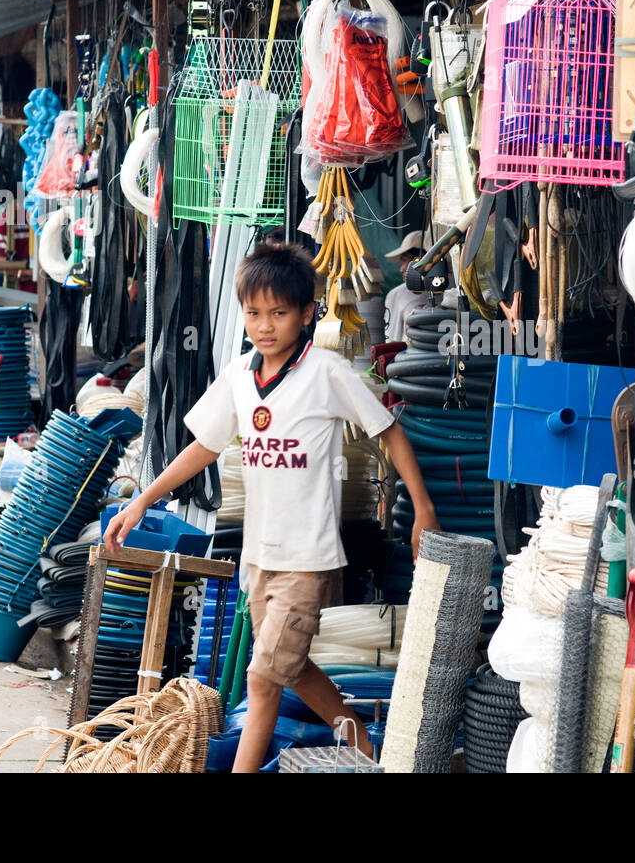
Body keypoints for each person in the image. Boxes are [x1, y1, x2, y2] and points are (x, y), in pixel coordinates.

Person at [104, 242, 440, 769]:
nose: (265, 325)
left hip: (308, 560)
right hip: (259, 559)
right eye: (254, 313)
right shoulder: (240, 375)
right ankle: (372, 750)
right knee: (294, 669)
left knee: (261, 681)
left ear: (307, 314)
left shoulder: (326, 371)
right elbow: (205, 446)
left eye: (279, 313)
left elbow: (389, 431)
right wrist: (141, 501)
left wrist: (422, 510)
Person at [382, 229, 430, 342]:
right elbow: (392, 340)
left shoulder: (449, 291)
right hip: (408, 358)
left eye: (405, 261)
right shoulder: (397, 295)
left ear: (421, 259)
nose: (401, 269)